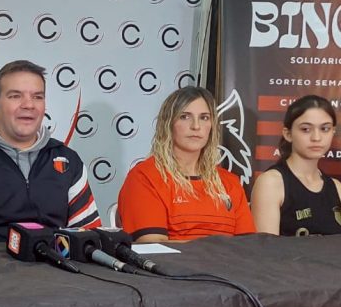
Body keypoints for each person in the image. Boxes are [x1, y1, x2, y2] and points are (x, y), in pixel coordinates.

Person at [0, 60, 101, 243]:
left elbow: (89, 240)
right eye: (15, 96)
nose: (28, 105)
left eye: (37, 97)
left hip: (57, 270)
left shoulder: (69, 161)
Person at [117, 86, 255, 242]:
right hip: (170, 266)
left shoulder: (230, 182)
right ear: (168, 123)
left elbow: (247, 248)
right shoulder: (144, 177)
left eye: (204, 118)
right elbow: (153, 247)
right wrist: (218, 250)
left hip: (228, 266)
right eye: (185, 117)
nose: (196, 126)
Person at [251, 95, 341, 236]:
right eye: (306, 129)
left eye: (325, 129)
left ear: (333, 132)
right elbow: (265, 252)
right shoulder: (271, 183)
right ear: (288, 134)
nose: (316, 138)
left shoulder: (337, 188)